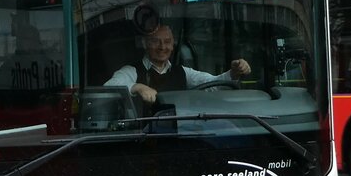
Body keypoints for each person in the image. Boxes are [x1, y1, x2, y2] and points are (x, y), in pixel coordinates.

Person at [105, 24, 250, 104]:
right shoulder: (131, 71)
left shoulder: (183, 72)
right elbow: (108, 88)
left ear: (173, 46)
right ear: (145, 44)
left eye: (167, 42)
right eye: (156, 41)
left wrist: (233, 73)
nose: (162, 47)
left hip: (179, 134)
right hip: (145, 139)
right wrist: (137, 87)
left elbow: (212, 84)